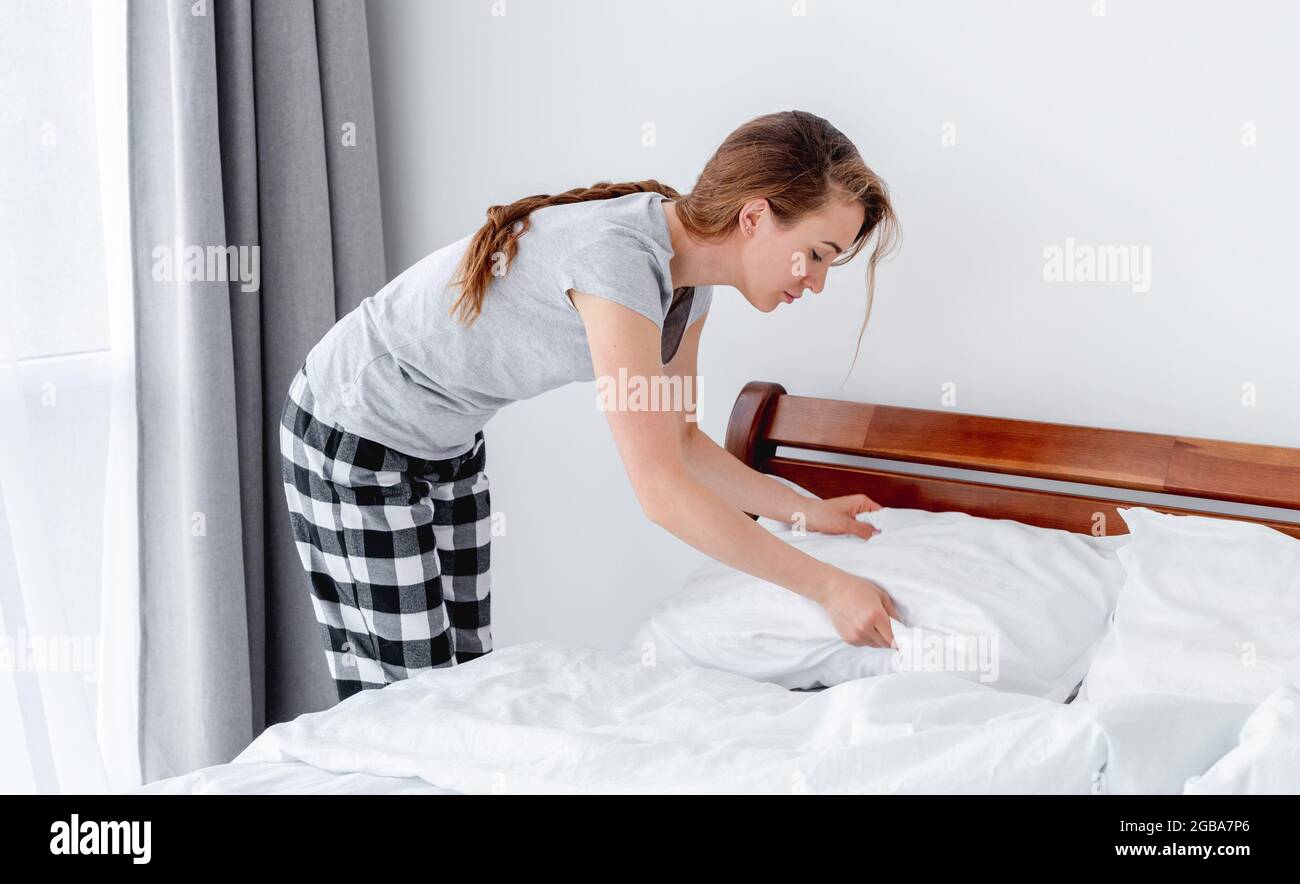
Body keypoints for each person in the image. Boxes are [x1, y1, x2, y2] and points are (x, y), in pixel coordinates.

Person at [279, 109, 903, 700]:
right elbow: (661, 492)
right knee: (406, 699)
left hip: (445, 445)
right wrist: (829, 587)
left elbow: (683, 443)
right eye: (816, 254)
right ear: (754, 217)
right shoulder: (618, 262)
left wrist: (806, 512)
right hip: (352, 427)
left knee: (458, 682)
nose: (816, 281)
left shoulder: (688, 291)